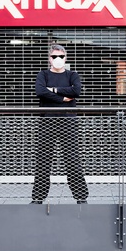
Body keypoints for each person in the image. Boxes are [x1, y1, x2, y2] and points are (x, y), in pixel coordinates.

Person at [31, 44, 89, 204]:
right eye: (54, 56)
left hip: (68, 123)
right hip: (47, 122)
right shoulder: (43, 74)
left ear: (65, 58)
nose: (58, 59)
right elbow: (40, 91)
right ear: (49, 59)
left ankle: (81, 197)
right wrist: (63, 98)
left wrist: (53, 90)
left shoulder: (72, 75)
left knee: (72, 160)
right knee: (43, 161)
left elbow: (76, 91)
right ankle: (38, 198)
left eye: (61, 56)